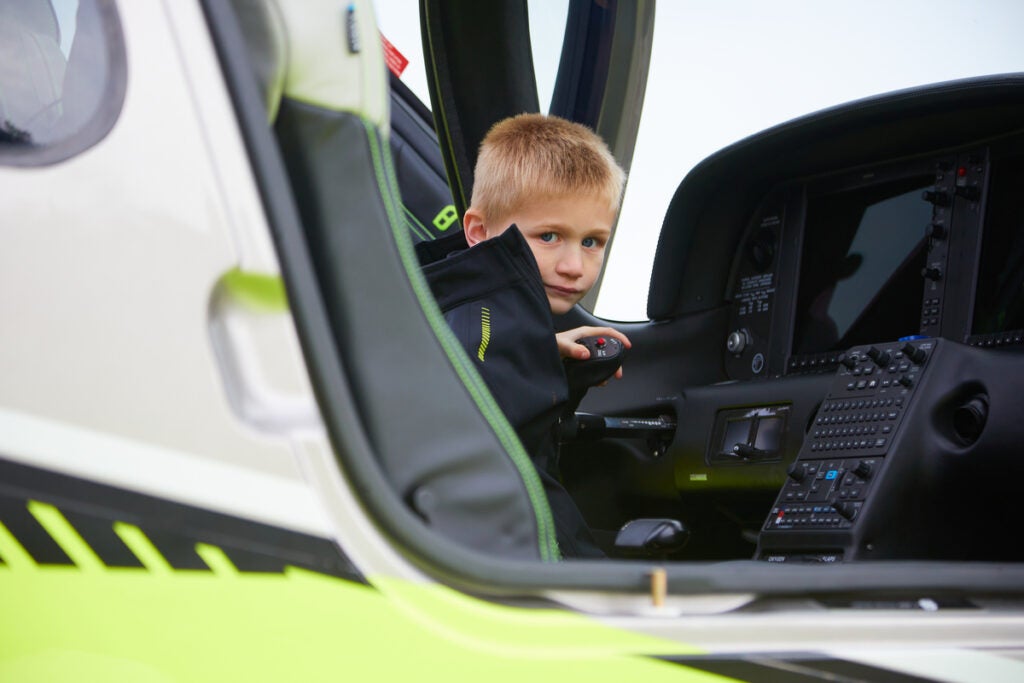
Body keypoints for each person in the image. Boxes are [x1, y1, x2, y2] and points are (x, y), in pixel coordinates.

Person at [416, 113, 630, 558]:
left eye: (592, 242)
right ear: (477, 231)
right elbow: (513, 492)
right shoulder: (487, 335)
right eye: (550, 236)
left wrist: (540, 358)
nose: (575, 265)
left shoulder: (465, 322)